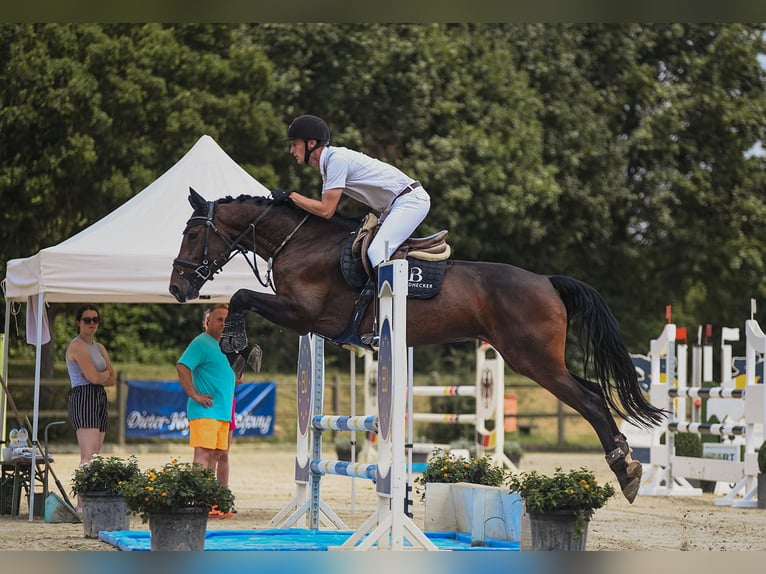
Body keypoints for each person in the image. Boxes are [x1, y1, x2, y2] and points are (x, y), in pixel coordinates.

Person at [274, 114, 431, 339]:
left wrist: (291, 197)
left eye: (294, 144)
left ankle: (389, 320)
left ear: (311, 144)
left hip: (410, 201)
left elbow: (326, 210)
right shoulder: (329, 165)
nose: (291, 151)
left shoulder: (336, 160)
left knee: (376, 252)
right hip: (395, 205)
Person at [177, 304, 235, 479]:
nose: (223, 323)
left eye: (227, 320)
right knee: (203, 454)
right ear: (208, 321)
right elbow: (182, 366)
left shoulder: (225, 345)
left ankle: (209, 500)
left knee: (216, 455)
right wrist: (194, 394)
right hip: (206, 410)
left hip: (222, 411)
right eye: (219, 319)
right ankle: (197, 498)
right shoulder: (201, 342)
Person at [66, 305, 116, 480]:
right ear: (78, 323)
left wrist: (100, 376)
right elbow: (93, 377)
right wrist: (102, 375)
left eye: (95, 319)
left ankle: (88, 502)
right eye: (87, 320)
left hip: (99, 395)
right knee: (88, 456)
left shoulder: (99, 347)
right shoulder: (76, 346)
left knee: (95, 455)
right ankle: (81, 505)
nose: (92, 323)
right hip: (84, 395)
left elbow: (112, 378)